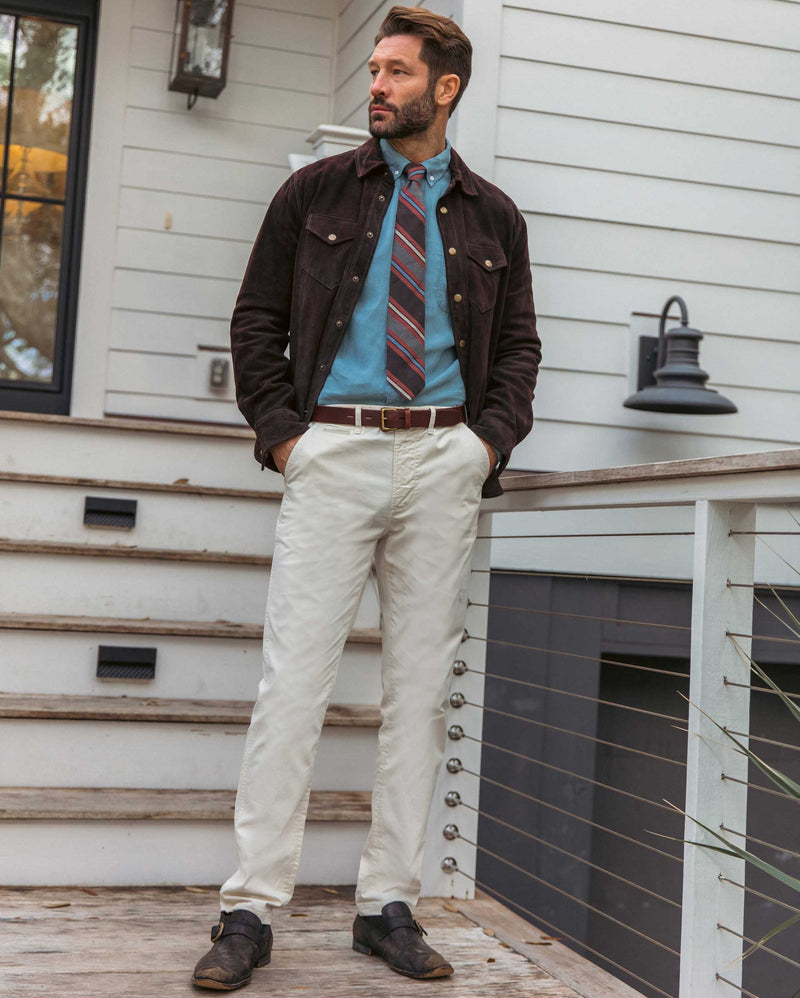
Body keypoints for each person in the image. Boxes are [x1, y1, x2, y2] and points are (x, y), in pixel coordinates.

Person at [191, 5, 541, 990]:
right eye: (373, 69)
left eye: (394, 72)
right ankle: (250, 906)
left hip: (441, 460)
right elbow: (256, 319)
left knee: (419, 695)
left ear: (445, 87)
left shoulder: (491, 215)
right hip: (331, 451)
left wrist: (483, 445)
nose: (375, 86)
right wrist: (285, 437)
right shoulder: (312, 192)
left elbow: (516, 347)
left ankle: (387, 902)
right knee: (292, 684)